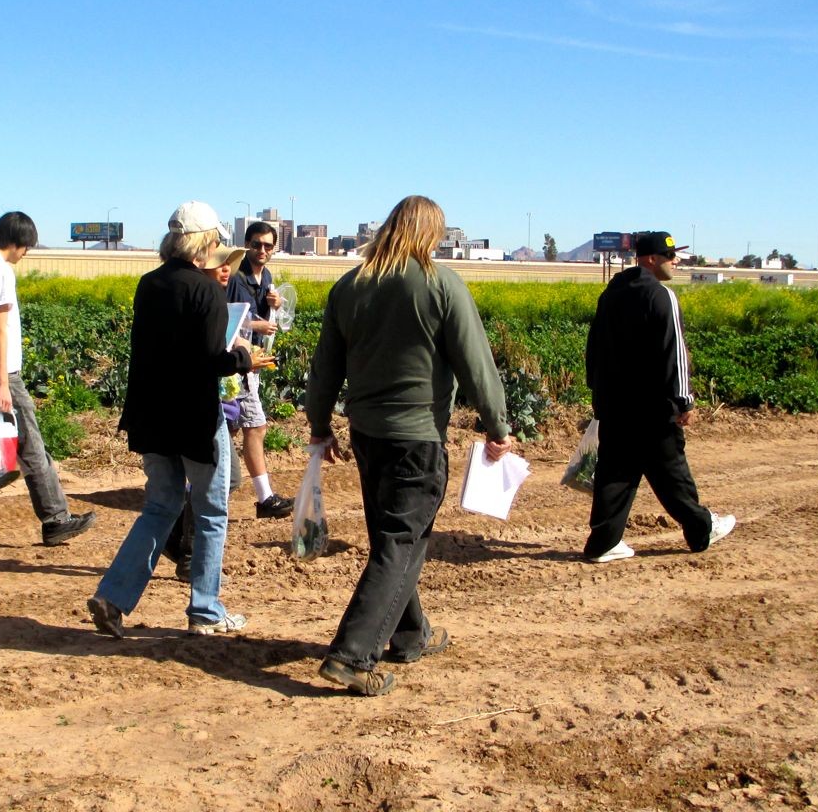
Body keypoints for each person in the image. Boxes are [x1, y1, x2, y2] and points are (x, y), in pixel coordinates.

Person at [304, 195, 513, 696]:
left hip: (367, 435)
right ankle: (352, 656)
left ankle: (410, 633)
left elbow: (325, 367)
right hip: (417, 436)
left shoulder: (350, 286)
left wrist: (318, 425)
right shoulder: (441, 283)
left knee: (393, 538)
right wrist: (497, 426)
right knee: (402, 542)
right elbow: (476, 363)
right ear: (431, 233)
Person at [87, 201, 265, 638]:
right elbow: (210, 362)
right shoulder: (206, 291)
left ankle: (113, 596)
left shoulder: (149, 284)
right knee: (211, 510)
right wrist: (245, 358)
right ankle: (205, 609)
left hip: (151, 415)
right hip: (193, 418)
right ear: (205, 242)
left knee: (161, 505)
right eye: (218, 240)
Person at [0, 211, 95, 554]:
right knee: (30, 445)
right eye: (27, 245)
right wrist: (1, 382)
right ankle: (55, 519)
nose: (26, 253)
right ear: (17, 241)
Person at [583, 231, 735, 563]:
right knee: (671, 473)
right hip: (652, 408)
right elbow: (675, 353)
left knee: (615, 473)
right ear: (651, 259)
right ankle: (702, 528)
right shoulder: (661, 295)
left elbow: (594, 347)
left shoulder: (611, 294)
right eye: (670, 257)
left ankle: (604, 543)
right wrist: (684, 399)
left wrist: (598, 391)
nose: (675, 262)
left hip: (615, 406)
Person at [165, 244, 247, 581]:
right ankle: (189, 555)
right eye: (220, 263)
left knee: (222, 481)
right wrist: (243, 359)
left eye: (229, 264)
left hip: (207, 404)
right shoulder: (203, 302)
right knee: (218, 483)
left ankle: (177, 540)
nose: (226, 269)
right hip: (197, 407)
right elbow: (209, 358)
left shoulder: (214, 302)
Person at [226, 221, 294, 519]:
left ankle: (197, 490)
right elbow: (225, 320)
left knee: (227, 427)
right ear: (247, 245)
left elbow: (267, 317)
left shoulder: (265, 275)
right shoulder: (235, 277)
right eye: (256, 244)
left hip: (251, 362)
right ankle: (265, 499)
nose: (262, 250)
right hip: (236, 362)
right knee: (255, 426)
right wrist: (256, 325)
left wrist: (275, 304)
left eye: (268, 245)